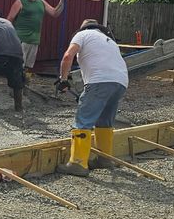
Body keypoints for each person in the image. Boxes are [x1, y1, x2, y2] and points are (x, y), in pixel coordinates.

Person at [54, 20, 129, 176]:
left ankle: (78, 163)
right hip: (120, 82)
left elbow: (68, 56)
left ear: (83, 28)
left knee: (83, 120)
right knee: (104, 121)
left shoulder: (82, 34)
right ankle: (104, 159)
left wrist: (63, 79)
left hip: (99, 81)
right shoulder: (109, 41)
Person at [7, 0, 69, 80]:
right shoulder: (20, 2)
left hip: (34, 40)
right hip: (21, 39)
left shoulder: (41, 2)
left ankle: (25, 84)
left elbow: (55, 13)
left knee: (29, 66)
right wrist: (10, 36)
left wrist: (62, 1)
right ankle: (15, 87)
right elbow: (9, 19)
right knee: (18, 64)